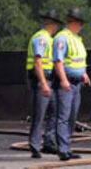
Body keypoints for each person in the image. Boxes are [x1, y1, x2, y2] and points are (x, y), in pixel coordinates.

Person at [52, 7, 91, 161]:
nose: (80, 26)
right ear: (72, 22)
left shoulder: (77, 39)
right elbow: (58, 61)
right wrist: (63, 80)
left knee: (72, 117)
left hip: (77, 82)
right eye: (79, 23)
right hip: (66, 82)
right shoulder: (62, 38)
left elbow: (79, 60)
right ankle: (62, 149)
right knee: (63, 116)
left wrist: (84, 73)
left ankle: (67, 147)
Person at [26, 10, 63, 159]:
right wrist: (43, 83)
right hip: (41, 79)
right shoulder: (41, 38)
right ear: (52, 24)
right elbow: (38, 62)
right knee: (39, 113)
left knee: (55, 111)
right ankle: (35, 146)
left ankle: (49, 142)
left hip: (49, 80)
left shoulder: (48, 39)